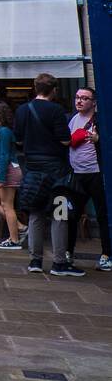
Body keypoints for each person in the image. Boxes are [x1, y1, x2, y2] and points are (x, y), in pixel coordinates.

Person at [14, 73, 79, 275]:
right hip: (56, 171)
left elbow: (17, 140)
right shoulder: (56, 110)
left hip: (32, 169)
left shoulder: (23, 110)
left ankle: (35, 260)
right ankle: (59, 262)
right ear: (54, 90)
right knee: (59, 214)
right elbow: (66, 141)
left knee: (35, 213)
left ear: (35, 88)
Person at [65, 88, 111, 272]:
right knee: (72, 215)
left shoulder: (100, 120)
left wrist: (99, 139)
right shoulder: (72, 118)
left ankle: (106, 254)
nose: (80, 101)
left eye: (85, 98)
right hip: (76, 173)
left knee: (102, 215)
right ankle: (68, 252)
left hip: (96, 173)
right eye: (77, 97)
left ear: (93, 102)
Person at [0, 99, 23, 250]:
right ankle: (20, 227)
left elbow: (4, 155)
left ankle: (14, 240)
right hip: (2, 170)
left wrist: (1, 177)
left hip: (7, 171)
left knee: (7, 206)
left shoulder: (4, 132)